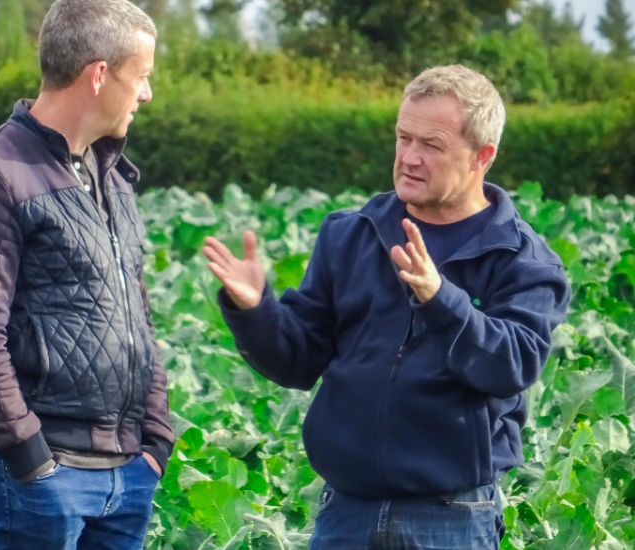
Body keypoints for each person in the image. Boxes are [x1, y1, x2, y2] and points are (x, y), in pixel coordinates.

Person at [201, 65, 571, 550]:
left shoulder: (523, 259)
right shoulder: (350, 232)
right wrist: (256, 310)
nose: (409, 158)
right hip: (346, 513)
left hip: (451, 517)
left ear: (483, 156)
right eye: (403, 138)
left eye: (431, 145)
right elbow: (298, 360)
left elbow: (511, 365)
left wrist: (441, 300)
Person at [0, 0, 175, 548]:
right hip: (46, 480)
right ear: (98, 75)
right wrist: (31, 460)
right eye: (143, 77)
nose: (146, 94)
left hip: (127, 476)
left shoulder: (110, 176)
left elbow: (138, 316)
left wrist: (155, 442)